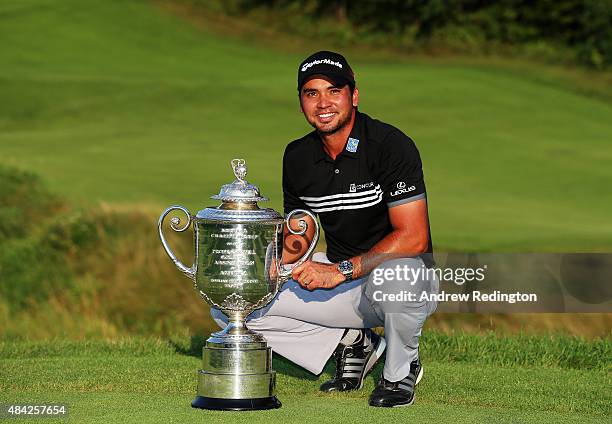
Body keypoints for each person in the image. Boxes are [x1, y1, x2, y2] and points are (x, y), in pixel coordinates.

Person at [212, 50, 437, 408]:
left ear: (354, 95)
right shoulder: (298, 156)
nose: (323, 103)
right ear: (301, 101)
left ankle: (400, 369)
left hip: (398, 277)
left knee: (399, 279)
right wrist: (274, 265)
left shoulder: (390, 145)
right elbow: (299, 231)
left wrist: (339, 270)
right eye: (311, 93)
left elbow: (414, 237)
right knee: (234, 302)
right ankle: (352, 342)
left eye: (334, 91)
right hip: (342, 281)